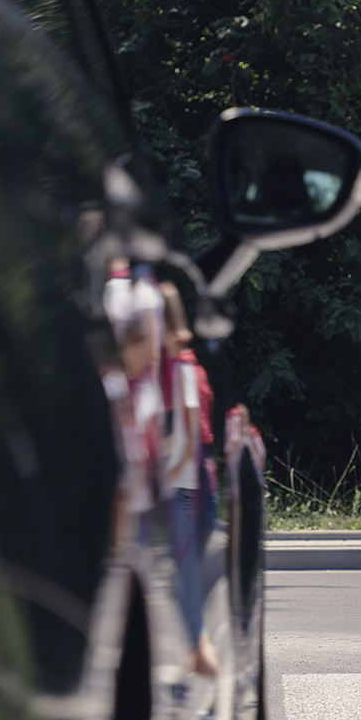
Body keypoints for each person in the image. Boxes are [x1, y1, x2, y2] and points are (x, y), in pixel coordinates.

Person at [159, 282, 220, 685]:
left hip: (183, 489)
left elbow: (189, 437)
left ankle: (203, 669)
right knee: (184, 586)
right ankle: (197, 665)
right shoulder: (185, 367)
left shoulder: (180, 370)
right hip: (192, 488)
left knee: (185, 588)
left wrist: (160, 473)